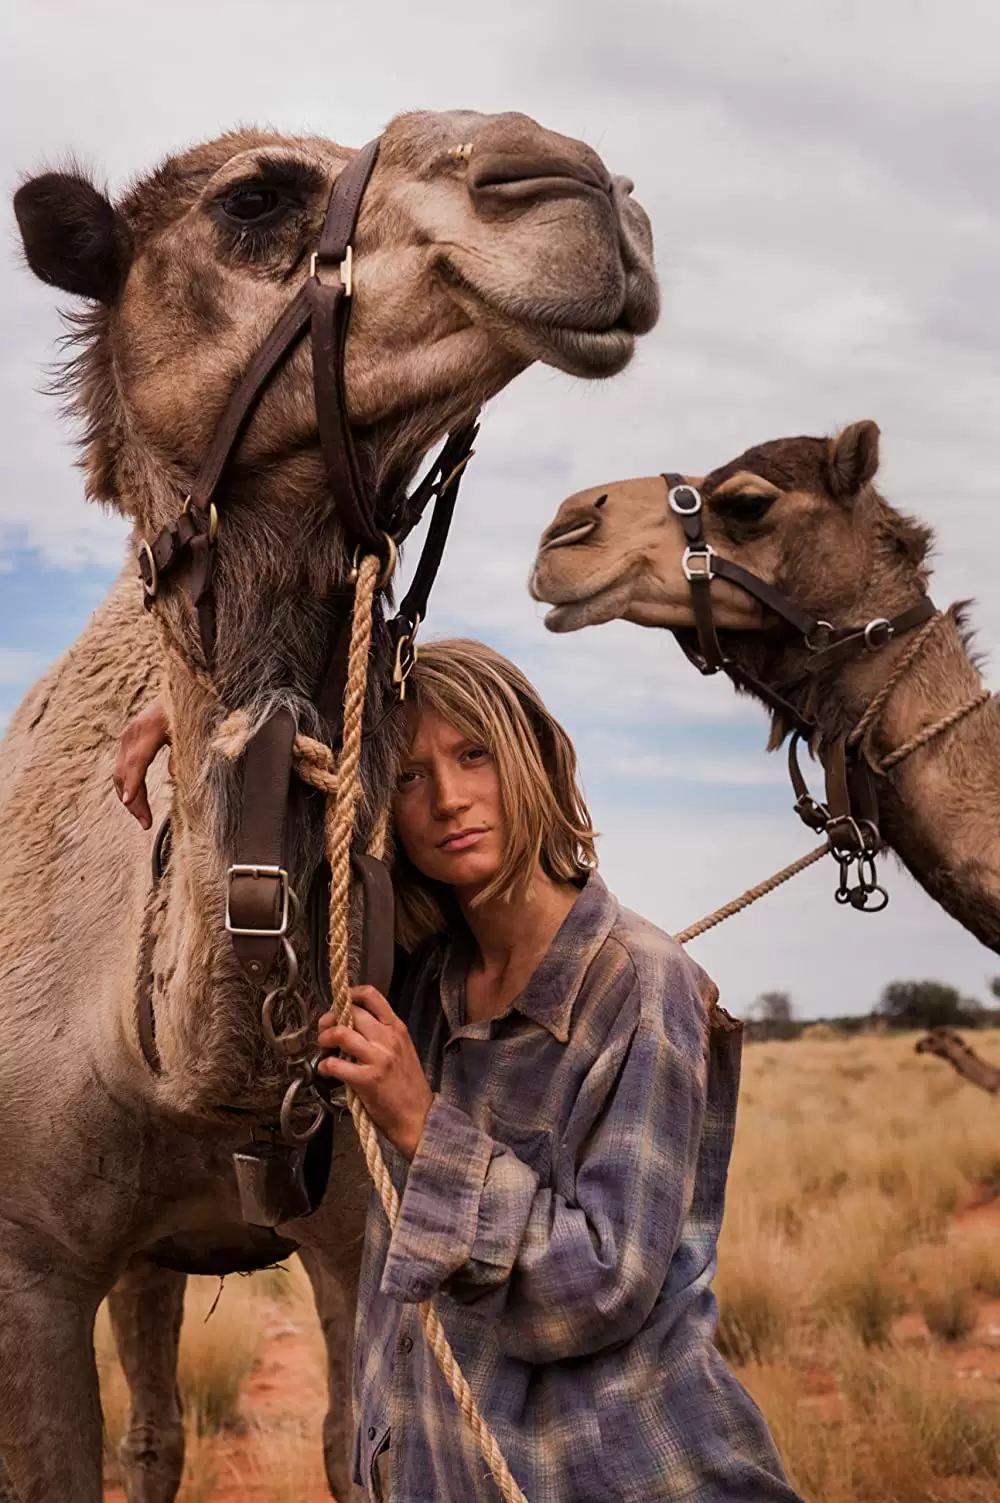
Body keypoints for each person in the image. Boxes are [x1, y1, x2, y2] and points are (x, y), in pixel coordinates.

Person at [115, 639, 802, 1503]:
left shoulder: (641, 984)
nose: (447, 798)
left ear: (534, 760)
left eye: (473, 754)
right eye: (405, 775)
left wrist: (420, 1123)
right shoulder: (422, 987)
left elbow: (603, 1285)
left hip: (621, 1474)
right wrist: (205, 729)